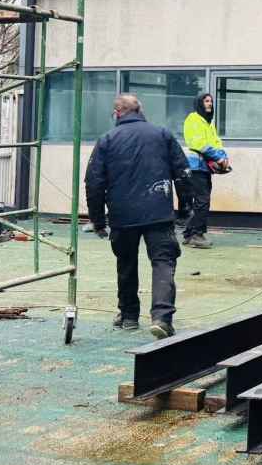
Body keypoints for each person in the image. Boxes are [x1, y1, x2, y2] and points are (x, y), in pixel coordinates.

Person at [84, 94, 191, 339]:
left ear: (117, 113)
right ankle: (162, 318)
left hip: (122, 215)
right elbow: (183, 173)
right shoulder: (161, 135)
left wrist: (98, 221)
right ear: (140, 110)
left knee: (126, 264)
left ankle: (129, 316)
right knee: (163, 262)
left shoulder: (107, 140)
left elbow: (94, 183)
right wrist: (185, 209)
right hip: (159, 212)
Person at [181, 92, 229, 249]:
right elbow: (197, 142)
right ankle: (197, 234)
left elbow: (216, 141)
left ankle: (189, 234)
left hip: (204, 166)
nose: (209, 104)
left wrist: (223, 156)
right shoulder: (193, 119)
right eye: (206, 101)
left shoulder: (208, 122)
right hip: (195, 166)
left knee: (201, 201)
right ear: (199, 103)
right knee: (202, 200)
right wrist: (217, 156)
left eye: (211, 101)